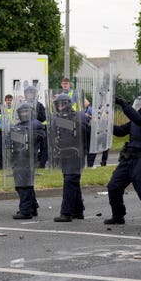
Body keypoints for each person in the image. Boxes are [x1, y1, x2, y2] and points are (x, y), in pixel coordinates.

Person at [104, 95, 141, 226]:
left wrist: (124, 105)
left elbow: (138, 119)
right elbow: (120, 131)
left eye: (139, 104)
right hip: (128, 157)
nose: (136, 106)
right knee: (113, 186)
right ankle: (118, 215)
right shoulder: (134, 120)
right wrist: (106, 125)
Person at [50, 94, 89, 222]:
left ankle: (66, 213)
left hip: (75, 153)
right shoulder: (57, 118)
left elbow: (84, 132)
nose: (60, 106)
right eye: (58, 104)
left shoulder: (78, 116)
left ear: (68, 103)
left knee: (70, 181)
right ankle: (78, 210)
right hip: (64, 153)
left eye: (62, 104)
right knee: (72, 181)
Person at [8, 102, 46, 219]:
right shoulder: (18, 125)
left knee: (23, 185)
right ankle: (32, 207)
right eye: (22, 112)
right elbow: (9, 139)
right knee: (24, 184)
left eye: (26, 111)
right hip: (18, 158)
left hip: (28, 158)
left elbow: (38, 137)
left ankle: (25, 211)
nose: (24, 114)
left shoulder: (36, 124)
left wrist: (20, 136)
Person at [24, 85, 48, 168]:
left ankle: (41, 164)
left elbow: (43, 117)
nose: (30, 95)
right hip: (27, 130)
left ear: (34, 94)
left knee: (44, 146)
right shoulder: (24, 105)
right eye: (28, 93)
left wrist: (35, 114)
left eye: (31, 93)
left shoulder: (39, 105)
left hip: (38, 130)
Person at [84, 99, 109, 167]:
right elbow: (95, 119)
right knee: (94, 147)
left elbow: (103, 118)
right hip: (96, 130)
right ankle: (90, 164)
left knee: (105, 147)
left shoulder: (105, 111)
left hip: (103, 130)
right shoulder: (95, 110)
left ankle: (103, 162)